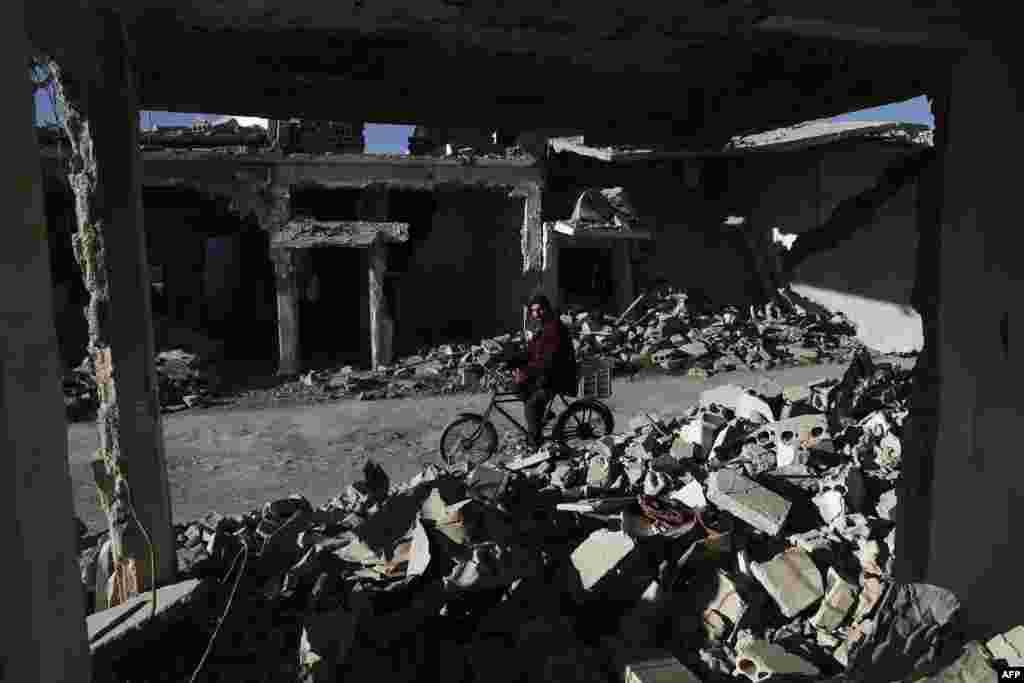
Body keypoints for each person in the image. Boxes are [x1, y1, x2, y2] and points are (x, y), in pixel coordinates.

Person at [511, 294, 577, 449]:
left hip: (557, 377)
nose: (537, 313)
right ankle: (543, 416)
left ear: (547, 309)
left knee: (531, 406)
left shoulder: (554, 328)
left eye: (540, 309)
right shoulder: (543, 326)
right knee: (515, 387)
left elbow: (548, 361)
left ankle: (534, 444)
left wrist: (526, 373)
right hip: (546, 375)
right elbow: (531, 352)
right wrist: (510, 361)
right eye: (534, 311)